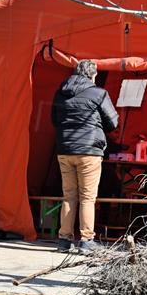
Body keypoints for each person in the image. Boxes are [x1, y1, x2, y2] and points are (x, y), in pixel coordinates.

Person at [51, 60, 118, 254]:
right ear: (92, 75)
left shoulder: (61, 92)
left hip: (65, 149)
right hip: (89, 150)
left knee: (69, 195)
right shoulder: (98, 93)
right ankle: (87, 240)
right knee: (87, 197)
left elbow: (54, 120)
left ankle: (64, 240)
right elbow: (112, 122)